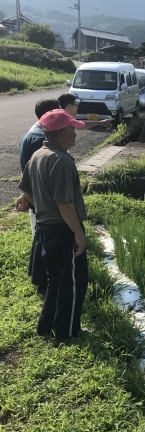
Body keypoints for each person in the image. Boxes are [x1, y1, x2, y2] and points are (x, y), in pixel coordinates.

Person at [17, 109, 88, 339]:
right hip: (63, 228)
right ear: (63, 133)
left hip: (45, 228)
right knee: (73, 282)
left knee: (55, 279)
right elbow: (65, 204)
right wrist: (78, 233)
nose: (76, 134)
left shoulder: (38, 155)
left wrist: (37, 204)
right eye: (73, 130)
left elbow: (25, 188)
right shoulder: (61, 161)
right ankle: (67, 332)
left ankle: (47, 326)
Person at [17, 98, 61, 292]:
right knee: (45, 241)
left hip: (35, 198)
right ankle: (44, 284)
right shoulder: (40, 140)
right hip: (43, 202)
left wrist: (25, 194)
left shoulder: (31, 134)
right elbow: (39, 176)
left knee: (40, 239)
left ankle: (39, 279)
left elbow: (27, 174)